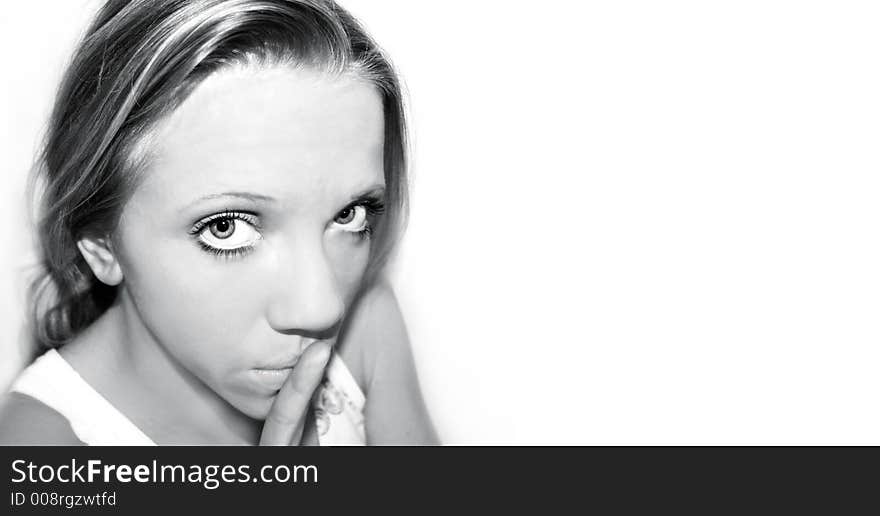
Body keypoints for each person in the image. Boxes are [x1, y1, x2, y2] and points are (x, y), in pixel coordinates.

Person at [0, 0, 437, 445]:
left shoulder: (366, 324)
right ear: (101, 245)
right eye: (227, 227)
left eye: (349, 215)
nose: (322, 307)